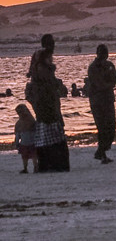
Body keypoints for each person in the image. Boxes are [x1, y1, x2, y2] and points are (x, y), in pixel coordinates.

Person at [26, 34, 70, 172]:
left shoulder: (40, 59)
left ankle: (49, 163)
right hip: (45, 101)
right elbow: (46, 80)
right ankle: (52, 164)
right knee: (50, 128)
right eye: (51, 43)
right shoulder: (42, 62)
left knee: (47, 129)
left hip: (44, 100)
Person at [88, 43, 116, 164]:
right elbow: (98, 83)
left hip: (108, 99)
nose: (104, 56)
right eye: (102, 53)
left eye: (105, 54)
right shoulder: (93, 68)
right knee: (102, 128)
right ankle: (102, 153)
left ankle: (101, 151)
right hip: (97, 101)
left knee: (111, 127)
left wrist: (110, 81)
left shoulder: (109, 65)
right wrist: (109, 83)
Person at [14, 104, 38, 173]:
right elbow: (17, 135)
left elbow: (17, 135)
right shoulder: (20, 123)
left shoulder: (31, 121)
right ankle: (26, 168)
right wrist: (17, 143)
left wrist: (17, 143)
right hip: (26, 143)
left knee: (33, 156)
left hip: (30, 143)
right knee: (26, 157)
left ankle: (34, 167)